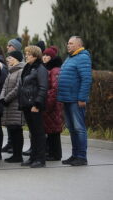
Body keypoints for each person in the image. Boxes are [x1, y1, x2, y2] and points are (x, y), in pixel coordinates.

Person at [58, 36, 92, 166]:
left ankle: (82, 157)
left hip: (76, 100)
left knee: (79, 128)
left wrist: (82, 98)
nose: (68, 45)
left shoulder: (83, 57)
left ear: (79, 45)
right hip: (67, 99)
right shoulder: (71, 57)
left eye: (71, 43)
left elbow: (86, 79)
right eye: (68, 43)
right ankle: (75, 155)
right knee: (72, 129)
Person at [19, 45, 48, 168]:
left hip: (34, 105)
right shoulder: (28, 67)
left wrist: (37, 104)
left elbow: (43, 87)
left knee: (38, 133)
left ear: (35, 55)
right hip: (27, 104)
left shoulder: (40, 68)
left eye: (29, 54)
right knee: (33, 132)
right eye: (26, 53)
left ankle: (40, 159)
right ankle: (33, 157)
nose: (26, 56)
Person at [0, 51, 25, 163]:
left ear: (16, 59)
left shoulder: (21, 70)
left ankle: (18, 155)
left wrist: (6, 98)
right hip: (8, 105)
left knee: (16, 130)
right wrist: (2, 98)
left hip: (16, 105)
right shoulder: (11, 71)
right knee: (12, 130)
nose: (8, 60)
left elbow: (18, 88)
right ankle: (14, 154)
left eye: (10, 58)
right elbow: (4, 87)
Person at [42, 46, 64, 161]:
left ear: (52, 58)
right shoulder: (47, 68)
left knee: (54, 130)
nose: (45, 57)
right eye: (44, 55)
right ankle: (51, 152)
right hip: (49, 104)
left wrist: (48, 104)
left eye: (47, 56)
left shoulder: (55, 70)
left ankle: (55, 154)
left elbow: (55, 89)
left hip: (52, 105)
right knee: (50, 129)